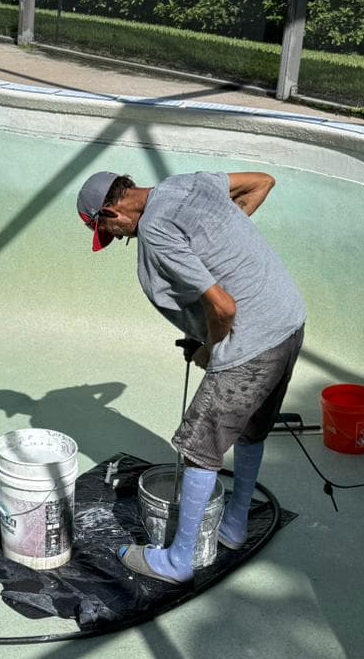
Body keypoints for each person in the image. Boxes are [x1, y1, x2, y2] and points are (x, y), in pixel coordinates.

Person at [75, 169, 306, 585]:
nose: (121, 239)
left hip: (251, 340)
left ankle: (179, 560)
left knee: (199, 447)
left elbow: (224, 308)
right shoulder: (189, 183)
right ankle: (234, 526)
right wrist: (223, 244)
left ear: (111, 210)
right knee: (253, 428)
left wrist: (210, 347)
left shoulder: (157, 230)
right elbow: (262, 182)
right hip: (288, 320)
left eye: (112, 231)